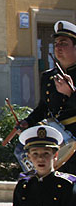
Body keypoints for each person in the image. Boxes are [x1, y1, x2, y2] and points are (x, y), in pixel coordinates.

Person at [17, 20, 76, 174]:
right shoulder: (49, 76)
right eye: (56, 43)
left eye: (63, 43)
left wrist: (70, 94)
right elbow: (43, 107)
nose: (58, 47)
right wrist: (27, 122)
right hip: (57, 141)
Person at [9, 125, 76, 206]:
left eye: (46, 153)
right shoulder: (24, 184)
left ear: (55, 155)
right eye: (35, 153)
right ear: (29, 157)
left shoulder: (67, 184)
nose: (40, 158)